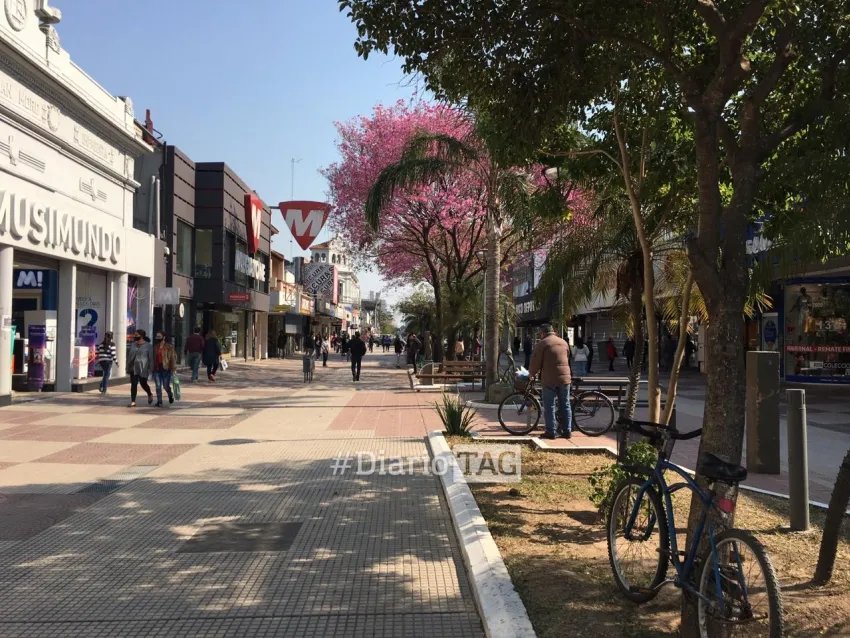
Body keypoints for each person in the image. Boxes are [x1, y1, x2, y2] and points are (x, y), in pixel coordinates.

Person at [528, 324, 573, 440]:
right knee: (565, 404)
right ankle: (567, 431)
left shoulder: (543, 343)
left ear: (543, 333)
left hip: (550, 378)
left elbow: (535, 361)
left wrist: (531, 373)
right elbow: (568, 358)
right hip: (565, 378)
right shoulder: (563, 342)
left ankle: (551, 431)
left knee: (550, 405)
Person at [126, 329, 153, 407]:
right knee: (134, 384)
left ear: (141, 336)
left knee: (143, 383)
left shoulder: (148, 346)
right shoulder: (133, 345)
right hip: (133, 367)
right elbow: (129, 356)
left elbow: (151, 358)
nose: (135, 336)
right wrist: (128, 366)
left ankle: (149, 394)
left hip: (143, 368)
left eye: (136, 335)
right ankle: (133, 401)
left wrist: (151, 368)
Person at [152, 331, 176, 407]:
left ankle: (170, 394)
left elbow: (173, 358)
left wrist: (173, 369)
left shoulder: (169, 347)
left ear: (164, 337)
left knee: (165, 386)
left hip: (166, 368)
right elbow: (153, 358)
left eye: (159, 336)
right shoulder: (155, 347)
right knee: (158, 386)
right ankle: (159, 401)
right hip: (157, 368)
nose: (158, 338)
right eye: (157, 337)